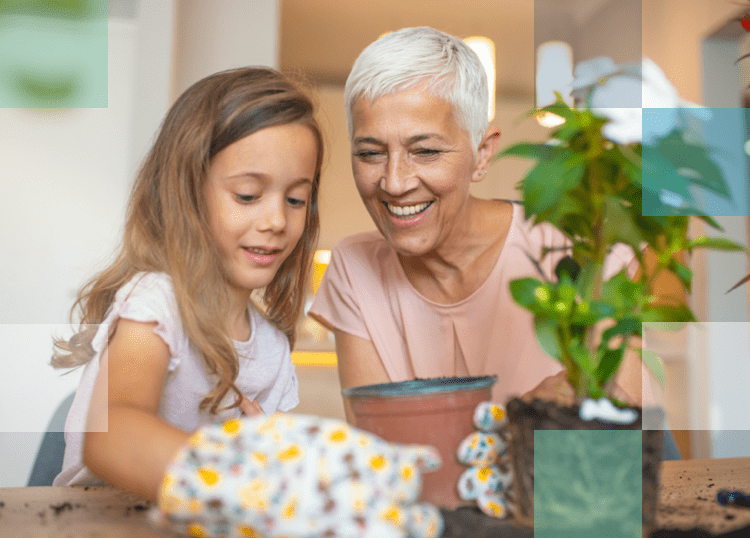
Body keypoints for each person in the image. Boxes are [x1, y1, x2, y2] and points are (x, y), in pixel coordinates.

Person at [309, 27, 642, 424]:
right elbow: (383, 456)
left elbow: (623, 455)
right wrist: (521, 423)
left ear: (482, 154)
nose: (395, 182)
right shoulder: (354, 268)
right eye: (370, 153)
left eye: (426, 151)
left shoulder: (582, 247)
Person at [51, 67, 323, 501]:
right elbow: (113, 436)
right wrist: (244, 478)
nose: (276, 221)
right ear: (187, 194)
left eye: (296, 199)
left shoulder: (272, 350)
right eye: (248, 196)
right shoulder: (156, 303)